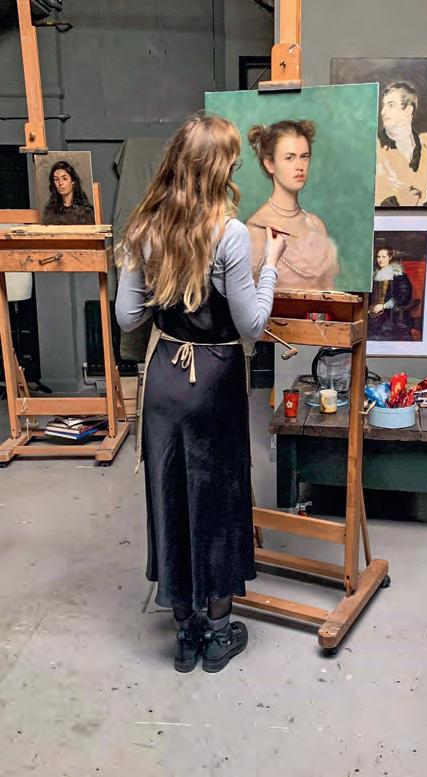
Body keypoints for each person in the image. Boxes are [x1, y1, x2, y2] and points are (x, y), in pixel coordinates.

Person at [115, 114, 286, 673]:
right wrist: (270, 268)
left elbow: (127, 318)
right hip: (213, 380)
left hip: (165, 377)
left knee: (171, 496)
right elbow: (252, 325)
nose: (236, 169)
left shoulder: (144, 227)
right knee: (216, 498)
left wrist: (158, 280)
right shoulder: (229, 234)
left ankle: (185, 634)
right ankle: (217, 633)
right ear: (217, 169)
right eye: (232, 161)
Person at [245, 119, 339, 290]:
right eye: (289, 158)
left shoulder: (316, 225)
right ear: (269, 164)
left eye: (304, 157)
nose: (299, 166)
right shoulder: (254, 230)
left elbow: (329, 291)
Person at [375, 82, 427, 208]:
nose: (383, 112)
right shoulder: (373, 151)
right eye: (383, 105)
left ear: (408, 110)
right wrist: (396, 202)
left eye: (391, 105)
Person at [368, 247, 413, 340]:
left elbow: (404, 296)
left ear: (390, 257)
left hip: (392, 315)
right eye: (378, 257)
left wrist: (384, 306)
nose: (380, 260)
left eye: (383, 257)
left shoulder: (398, 276)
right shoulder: (374, 275)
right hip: (373, 314)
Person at [42, 161, 95, 225]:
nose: (60, 183)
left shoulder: (87, 211)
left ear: (73, 181)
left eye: (64, 179)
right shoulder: (51, 210)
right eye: (56, 179)